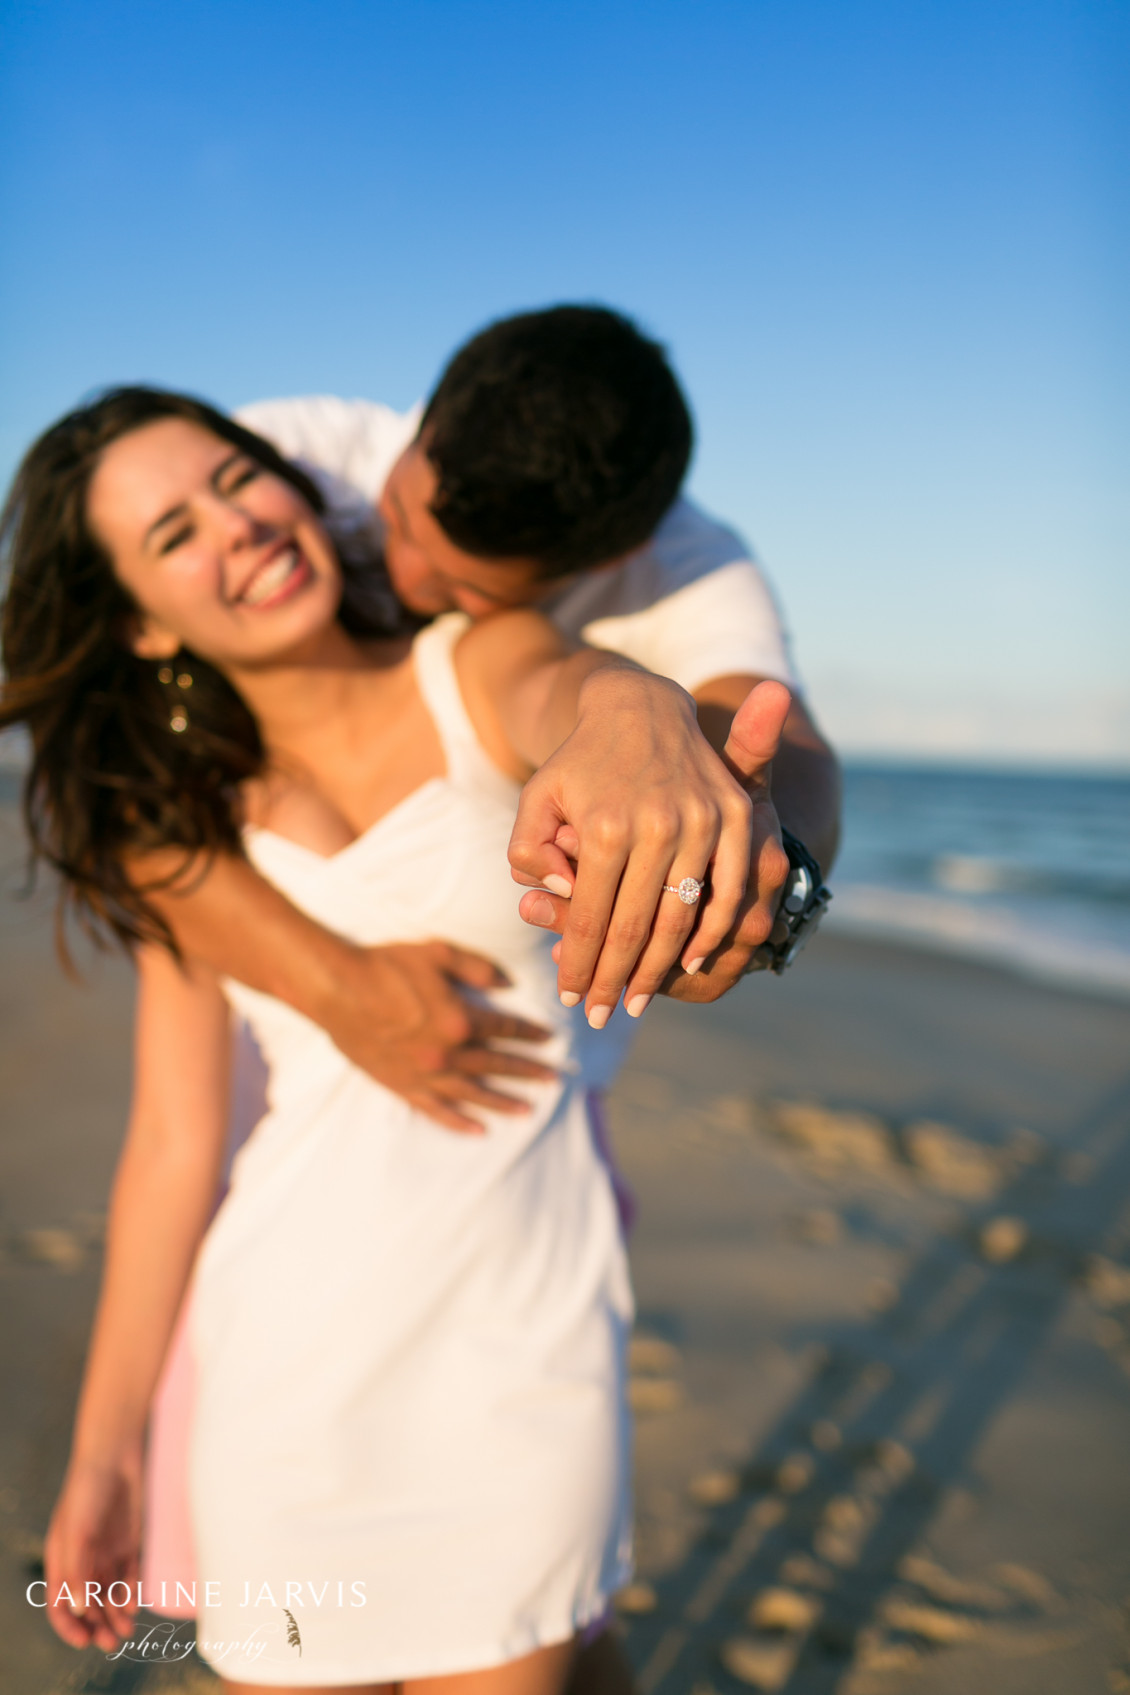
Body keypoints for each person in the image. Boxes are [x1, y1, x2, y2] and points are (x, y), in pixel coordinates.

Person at [2, 386, 771, 1690]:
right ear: (140, 621)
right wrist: (108, 1449)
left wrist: (632, 709)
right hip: (283, 1369)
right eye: (176, 534)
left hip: (520, 1351)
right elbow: (176, 1143)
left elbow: (563, 694)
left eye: (239, 480)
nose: (238, 529)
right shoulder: (183, 829)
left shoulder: (476, 664)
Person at [138, 306, 840, 1129]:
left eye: (467, 591)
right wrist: (329, 982)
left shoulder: (689, 565)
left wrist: (755, 868)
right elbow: (107, 772)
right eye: (396, 520)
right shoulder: (288, 464)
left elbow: (784, 742)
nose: (403, 577)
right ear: (424, 419)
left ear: (608, 564)